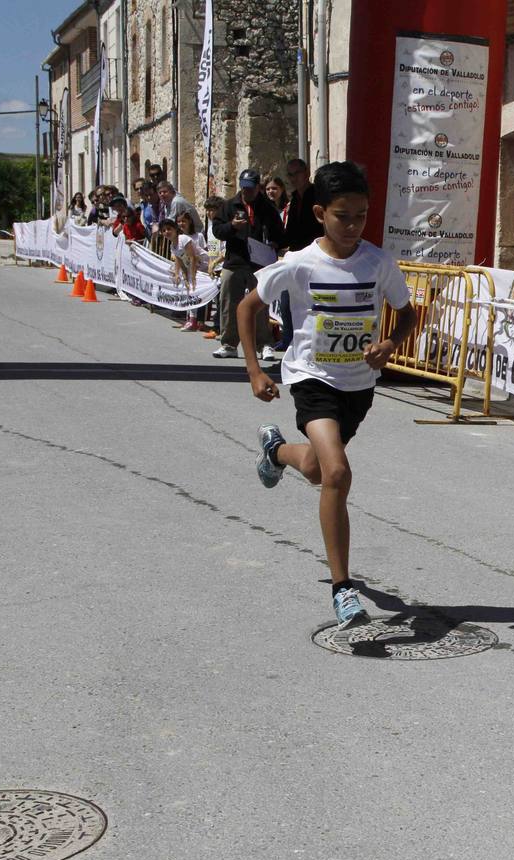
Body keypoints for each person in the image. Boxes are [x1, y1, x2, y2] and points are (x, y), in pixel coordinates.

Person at [238, 161, 417, 629]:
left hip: (358, 386)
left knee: (319, 471)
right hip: (311, 379)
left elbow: (407, 313)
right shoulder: (300, 262)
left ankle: (276, 452)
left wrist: (390, 345)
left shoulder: (378, 262)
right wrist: (255, 370)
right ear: (320, 213)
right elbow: (246, 307)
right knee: (338, 471)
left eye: (361, 215)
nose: (354, 226)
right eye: (343, 216)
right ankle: (344, 590)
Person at [210, 168, 285, 360]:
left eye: (250, 188)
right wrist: (232, 226)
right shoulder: (229, 206)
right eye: (244, 188)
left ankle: (265, 344)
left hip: (259, 264)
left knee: (260, 305)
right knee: (228, 302)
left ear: (257, 188)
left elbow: (279, 232)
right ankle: (228, 344)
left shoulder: (267, 208)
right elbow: (217, 230)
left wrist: (275, 243)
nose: (246, 192)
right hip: (234, 260)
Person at [282, 158, 324, 252]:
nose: (293, 178)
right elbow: (291, 231)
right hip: (297, 253)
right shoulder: (294, 199)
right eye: (290, 174)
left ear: (307, 173)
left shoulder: (318, 196)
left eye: (297, 173)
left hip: (315, 252)